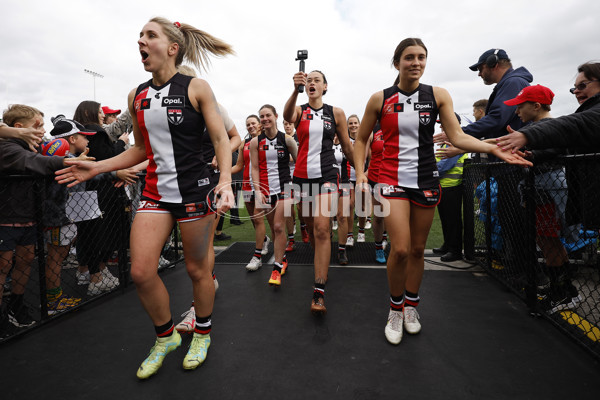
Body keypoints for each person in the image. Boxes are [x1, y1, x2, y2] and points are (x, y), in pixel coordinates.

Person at [55, 17, 234, 379]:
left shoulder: (196, 87)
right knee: (140, 271)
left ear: (172, 48)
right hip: (155, 193)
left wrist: (226, 180)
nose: (140, 41)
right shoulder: (136, 95)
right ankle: (165, 336)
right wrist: (98, 167)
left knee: (199, 270)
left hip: (196, 192)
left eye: (150, 35)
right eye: (139, 35)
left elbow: (221, 140)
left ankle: (202, 332)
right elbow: (139, 149)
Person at [353, 38, 531, 345]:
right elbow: (360, 140)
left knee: (419, 250)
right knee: (401, 249)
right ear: (397, 63)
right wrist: (360, 174)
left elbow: (458, 137)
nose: (416, 62)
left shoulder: (437, 95)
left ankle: (412, 306)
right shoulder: (379, 98)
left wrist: (495, 148)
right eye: (409, 57)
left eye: (422, 57)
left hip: (425, 180)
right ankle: (395, 309)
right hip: (391, 181)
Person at [0, 105, 92, 337]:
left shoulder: (35, 147)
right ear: (18, 128)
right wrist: (67, 162)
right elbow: (34, 162)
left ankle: (17, 304)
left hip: (30, 217)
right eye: (37, 126)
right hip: (6, 218)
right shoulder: (7, 146)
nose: (43, 131)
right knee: (3, 267)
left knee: (25, 262)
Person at [500, 84, 580, 313]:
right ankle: (563, 288)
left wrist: (533, 154)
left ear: (536, 106)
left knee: (548, 239)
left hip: (547, 188)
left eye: (520, 107)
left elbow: (559, 149)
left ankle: (562, 292)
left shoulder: (549, 126)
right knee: (546, 240)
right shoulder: (537, 127)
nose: (517, 112)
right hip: (540, 188)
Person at [284, 69, 354, 315]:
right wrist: (295, 89)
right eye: (309, 80)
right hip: (302, 177)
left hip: (327, 175)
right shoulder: (300, 109)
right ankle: (320, 263)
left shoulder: (335, 113)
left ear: (325, 87)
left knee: (323, 228)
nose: (312, 83)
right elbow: (287, 115)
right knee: (313, 230)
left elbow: (346, 145)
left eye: (317, 80)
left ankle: (318, 289)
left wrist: (362, 172)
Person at [72, 101, 130, 295]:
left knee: (90, 231)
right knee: (100, 232)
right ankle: (96, 276)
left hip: (90, 189)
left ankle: (93, 271)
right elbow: (107, 159)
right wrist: (121, 143)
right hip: (101, 188)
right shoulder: (95, 131)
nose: (103, 115)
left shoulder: (88, 131)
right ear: (89, 113)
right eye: (99, 112)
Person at [42, 116, 99, 314]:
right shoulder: (64, 162)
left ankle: (54, 298)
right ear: (72, 139)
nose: (88, 140)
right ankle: (53, 300)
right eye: (84, 136)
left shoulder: (71, 160)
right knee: (55, 258)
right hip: (59, 218)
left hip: (67, 216)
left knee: (59, 255)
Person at [250, 105, 297, 286]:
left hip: (285, 187)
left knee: (278, 226)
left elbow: (299, 161)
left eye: (268, 115)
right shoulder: (256, 142)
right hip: (266, 190)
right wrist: (258, 190)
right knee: (274, 227)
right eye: (262, 116)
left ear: (276, 116)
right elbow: (254, 168)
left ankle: (276, 268)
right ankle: (282, 258)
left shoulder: (287, 139)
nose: (265, 118)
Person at [434, 114, 469, 262]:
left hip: (452, 187)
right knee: (445, 218)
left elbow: (443, 167)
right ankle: (448, 245)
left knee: (452, 220)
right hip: (444, 187)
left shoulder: (455, 143)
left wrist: (426, 169)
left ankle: (455, 250)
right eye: (441, 124)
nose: (441, 126)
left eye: (443, 123)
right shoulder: (448, 142)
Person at [363, 123, 387, 264]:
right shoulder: (373, 131)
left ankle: (388, 239)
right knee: (378, 216)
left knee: (392, 215)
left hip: (395, 178)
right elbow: (363, 155)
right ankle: (378, 247)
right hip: (376, 178)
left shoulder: (399, 125)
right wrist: (362, 172)